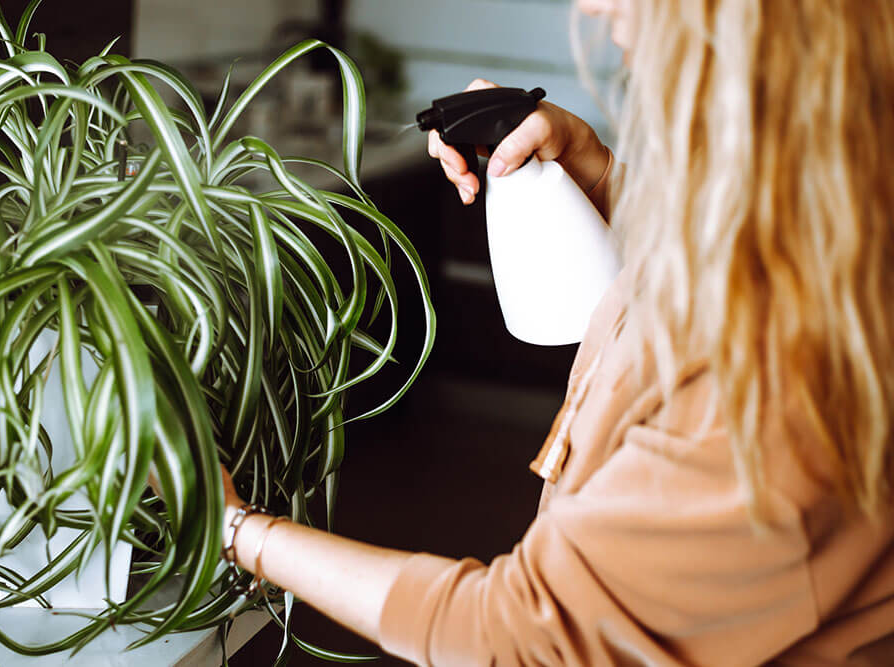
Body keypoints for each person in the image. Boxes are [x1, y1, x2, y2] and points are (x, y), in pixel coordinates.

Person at [214, 1, 894, 664]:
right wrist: (593, 168)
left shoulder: (776, 379)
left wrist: (234, 525)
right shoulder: (827, 218)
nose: (594, 5)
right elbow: (703, 269)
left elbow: (512, 638)